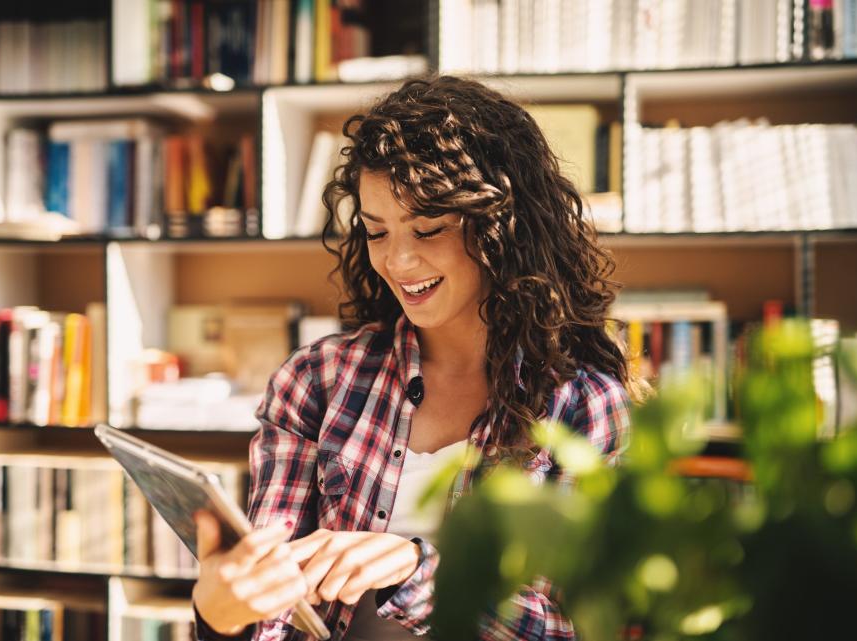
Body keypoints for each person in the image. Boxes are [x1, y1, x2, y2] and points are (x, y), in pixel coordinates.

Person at [192, 75, 632, 641]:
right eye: (376, 233)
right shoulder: (316, 380)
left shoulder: (583, 404)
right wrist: (221, 616)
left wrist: (414, 570)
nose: (399, 261)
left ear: (503, 227)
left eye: (428, 228)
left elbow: (576, 629)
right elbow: (270, 613)